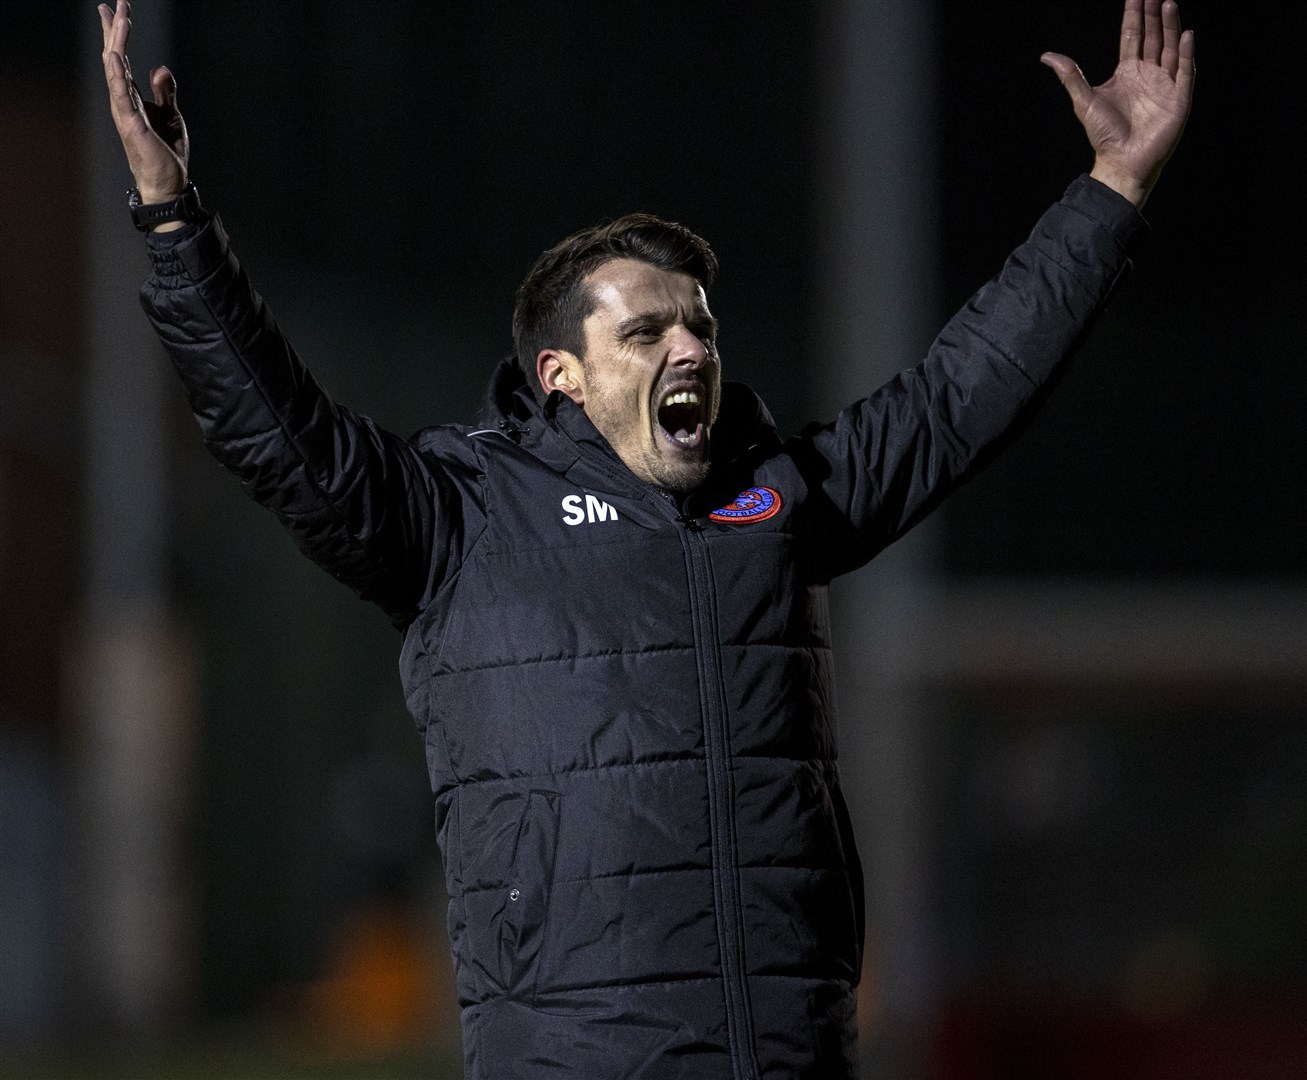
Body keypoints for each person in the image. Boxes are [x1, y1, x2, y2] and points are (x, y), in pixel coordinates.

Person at [98, 1, 1194, 1076]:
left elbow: (960, 398)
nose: (689, 347)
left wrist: (1111, 194)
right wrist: (172, 220)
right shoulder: (459, 517)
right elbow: (279, 436)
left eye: (700, 326)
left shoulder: (775, 497)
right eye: (645, 330)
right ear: (559, 377)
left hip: (786, 1051)